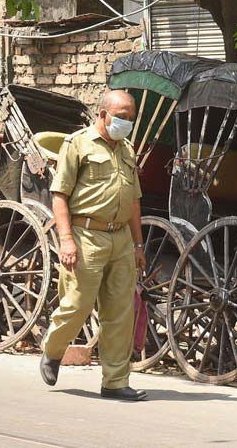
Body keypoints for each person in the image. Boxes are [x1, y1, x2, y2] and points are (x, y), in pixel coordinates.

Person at [39, 89, 148, 401]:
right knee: (77, 305)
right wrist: (66, 240)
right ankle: (53, 349)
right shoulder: (77, 144)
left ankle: (115, 382)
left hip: (121, 239)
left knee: (120, 312)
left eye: (131, 117)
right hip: (86, 236)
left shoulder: (127, 150)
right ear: (104, 114)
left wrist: (138, 245)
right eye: (122, 117)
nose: (127, 122)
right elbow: (59, 194)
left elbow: (135, 202)